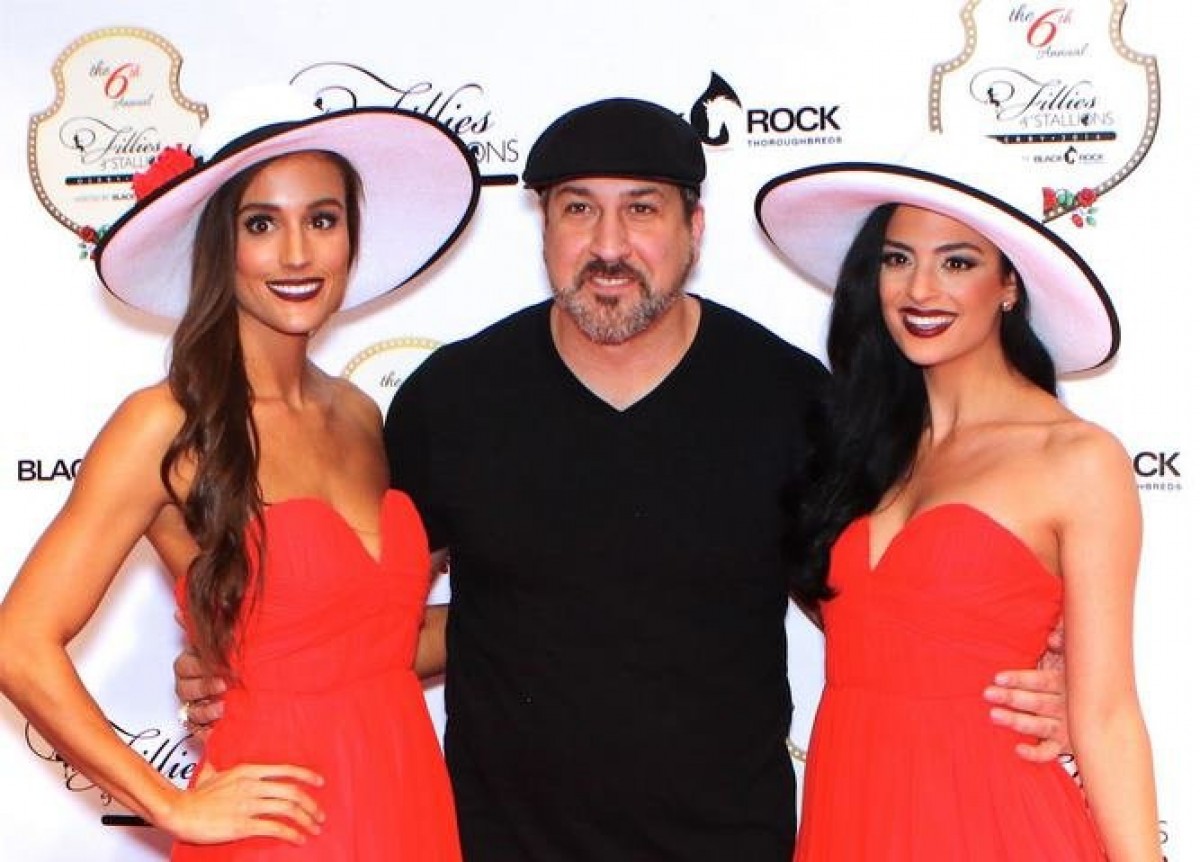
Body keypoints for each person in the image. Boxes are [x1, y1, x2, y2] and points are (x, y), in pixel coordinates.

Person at [179, 98, 1074, 862]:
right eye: (578, 210)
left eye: (642, 209)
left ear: (695, 228)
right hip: (497, 846)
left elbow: (882, 600)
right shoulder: (451, 399)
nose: (608, 245)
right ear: (543, 226)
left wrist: (1056, 680)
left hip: (732, 847)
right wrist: (254, 660)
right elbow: (371, 614)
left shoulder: (792, 398)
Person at [0, 85, 479, 860]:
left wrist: (567, 602)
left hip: (407, 800)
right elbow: (19, 642)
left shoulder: (360, 414)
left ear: (351, 240)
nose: (297, 254)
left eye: (322, 220)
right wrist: (167, 804)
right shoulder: (164, 424)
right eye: (262, 224)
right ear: (221, 247)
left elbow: (374, 646)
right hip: (274, 827)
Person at [756, 142, 1160, 860]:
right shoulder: (853, 447)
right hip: (851, 812)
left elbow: (1105, 713)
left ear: (1009, 285)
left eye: (958, 262)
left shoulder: (1075, 459)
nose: (921, 289)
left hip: (995, 822)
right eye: (897, 258)